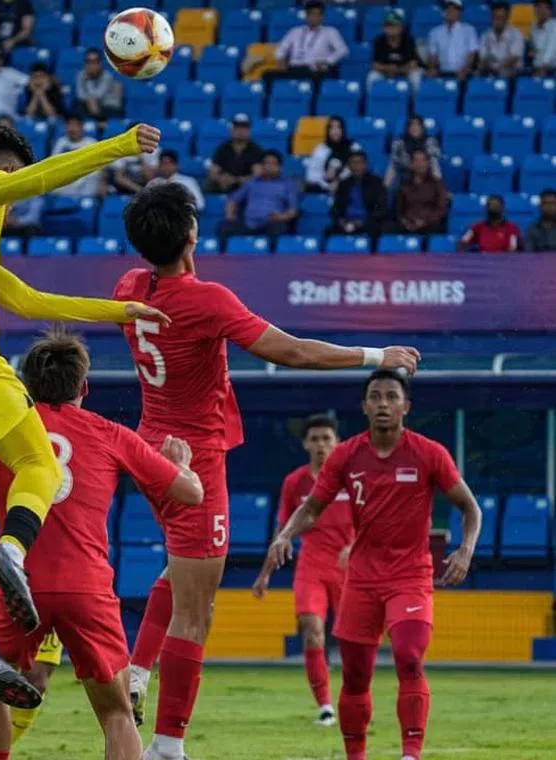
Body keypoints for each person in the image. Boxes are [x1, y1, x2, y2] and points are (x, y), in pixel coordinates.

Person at [111, 182, 420, 757]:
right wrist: (376, 357)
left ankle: (136, 671)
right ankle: (166, 746)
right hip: (195, 461)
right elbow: (292, 351)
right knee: (197, 610)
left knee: (180, 575)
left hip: (153, 448)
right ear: (191, 235)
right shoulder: (205, 300)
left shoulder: (130, 286)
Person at [0, 120, 169, 708]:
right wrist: (120, 146)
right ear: (0, 172)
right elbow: (43, 181)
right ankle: (13, 552)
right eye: (9, 181)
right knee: (37, 463)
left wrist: (120, 310)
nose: (12, 195)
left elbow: (35, 302)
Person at [0, 330, 204, 760]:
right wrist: (183, 465)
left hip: (16, 579)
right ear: (84, 387)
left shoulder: (0, 432)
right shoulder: (110, 434)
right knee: (116, 714)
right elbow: (190, 494)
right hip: (86, 586)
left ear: (26, 386)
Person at [255, 369, 482, 760]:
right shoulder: (346, 456)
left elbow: (470, 507)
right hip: (360, 579)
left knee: (409, 656)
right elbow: (311, 508)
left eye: (391, 397)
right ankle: (354, 753)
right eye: (375, 396)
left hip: (410, 576)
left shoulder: (429, 453)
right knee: (356, 676)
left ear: (405, 407)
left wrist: (465, 551)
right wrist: (284, 536)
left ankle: (410, 752)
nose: (382, 404)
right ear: (364, 406)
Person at [262, 415, 352, 727]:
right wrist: (265, 574)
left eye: (326, 438)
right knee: (312, 632)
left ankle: (353, 700)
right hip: (311, 565)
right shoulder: (295, 482)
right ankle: (325, 707)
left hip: (349, 569)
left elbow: (373, 517)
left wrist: (357, 545)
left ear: (337, 442)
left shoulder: (352, 478)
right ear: (305, 444)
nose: (321, 445)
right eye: (314, 439)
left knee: (352, 641)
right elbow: (283, 529)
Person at [219, 150, 298, 242]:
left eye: (273, 164)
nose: (269, 167)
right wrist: (230, 214)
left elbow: (293, 211)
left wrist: (281, 217)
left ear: (280, 167)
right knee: (224, 226)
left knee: (279, 228)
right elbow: (233, 201)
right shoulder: (252, 183)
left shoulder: (287, 185)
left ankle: (273, 255)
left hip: (271, 223)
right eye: (266, 163)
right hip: (247, 224)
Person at [265, 0, 348, 85]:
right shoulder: (295, 31)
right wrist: (281, 59)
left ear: (323, 17)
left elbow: (343, 50)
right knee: (267, 74)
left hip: (315, 68)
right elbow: (281, 49)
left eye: (319, 14)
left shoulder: (330, 31)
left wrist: (327, 61)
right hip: (295, 67)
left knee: (325, 75)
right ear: (306, 16)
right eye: (312, 14)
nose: (316, 17)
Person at [327, 151, 387, 241]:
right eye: (353, 163)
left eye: (359, 163)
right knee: (328, 233)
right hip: (346, 223)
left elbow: (381, 209)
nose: (356, 166)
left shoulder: (376, 183)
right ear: (349, 166)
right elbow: (335, 209)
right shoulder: (343, 184)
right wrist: (341, 221)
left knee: (377, 230)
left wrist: (363, 222)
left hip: (367, 223)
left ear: (365, 165)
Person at [393, 149, 449, 237]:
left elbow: (441, 209)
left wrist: (424, 222)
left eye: (423, 160)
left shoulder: (437, 184)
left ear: (427, 163)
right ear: (411, 164)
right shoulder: (404, 185)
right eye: (416, 160)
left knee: (435, 231)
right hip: (409, 223)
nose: (420, 164)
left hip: (430, 223)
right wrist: (405, 222)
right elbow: (399, 209)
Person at [205, 115, 263, 195]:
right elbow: (213, 172)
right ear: (231, 130)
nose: (240, 131)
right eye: (237, 127)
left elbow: (257, 175)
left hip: (245, 185)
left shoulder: (255, 150)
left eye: (244, 128)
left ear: (249, 130)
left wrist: (236, 180)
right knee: (207, 185)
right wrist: (221, 179)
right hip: (225, 184)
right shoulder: (223, 148)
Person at [49, 116, 104, 199]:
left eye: (75, 126)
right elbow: (53, 164)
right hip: (65, 178)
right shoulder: (61, 142)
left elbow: (101, 166)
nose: (71, 129)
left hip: (84, 179)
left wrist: (102, 183)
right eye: (69, 126)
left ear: (81, 128)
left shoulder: (91, 143)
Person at [367, 10, 422, 91]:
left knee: (415, 76)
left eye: (394, 25)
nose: (390, 28)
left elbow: (413, 64)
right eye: (388, 25)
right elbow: (375, 65)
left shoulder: (408, 40)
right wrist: (387, 68)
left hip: (404, 71)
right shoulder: (379, 41)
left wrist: (397, 70)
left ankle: (415, 102)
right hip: (384, 71)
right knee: (372, 77)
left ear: (401, 27)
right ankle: (373, 101)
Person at [384, 116, 441, 189]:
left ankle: (440, 189)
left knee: (434, 163)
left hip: (426, 174)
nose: (415, 128)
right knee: (392, 166)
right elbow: (395, 161)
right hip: (406, 173)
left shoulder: (431, 141)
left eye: (418, 125)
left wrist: (419, 166)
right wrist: (412, 166)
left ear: (422, 128)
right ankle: (384, 190)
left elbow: (435, 157)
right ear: (407, 128)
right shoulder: (399, 143)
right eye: (412, 125)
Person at [427, 0, 479, 80]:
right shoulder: (435, 32)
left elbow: (472, 54)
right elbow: (432, 55)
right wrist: (433, 68)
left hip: (463, 73)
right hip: (441, 73)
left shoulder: (469, 30)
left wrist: (465, 69)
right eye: (447, 8)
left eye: (453, 9)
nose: (449, 11)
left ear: (460, 12)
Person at [305, 115, 354, 194]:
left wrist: (338, 181)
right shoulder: (320, 149)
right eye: (331, 128)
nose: (335, 131)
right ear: (327, 130)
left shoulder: (353, 147)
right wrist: (326, 181)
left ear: (343, 130)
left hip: (347, 187)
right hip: (324, 186)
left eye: (338, 127)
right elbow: (311, 176)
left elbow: (355, 171)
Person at [74, 49, 123, 122]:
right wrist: (89, 100)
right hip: (90, 105)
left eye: (95, 61)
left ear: (100, 63)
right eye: (89, 61)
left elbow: (98, 95)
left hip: (107, 107)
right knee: (77, 106)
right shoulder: (80, 75)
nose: (92, 65)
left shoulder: (107, 76)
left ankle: (99, 126)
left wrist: (88, 79)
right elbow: (80, 94)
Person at [479, 1, 525, 76]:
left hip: (512, 75)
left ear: (507, 18)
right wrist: (489, 65)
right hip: (491, 72)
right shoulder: (485, 35)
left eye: (501, 17)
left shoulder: (516, 34)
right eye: (495, 17)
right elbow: (483, 57)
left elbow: (514, 58)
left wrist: (498, 66)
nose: (497, 21)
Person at [533, 0, 556, 76]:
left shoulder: (554, 25)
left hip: (551, 68)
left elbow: (550, 49)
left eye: (544, 8)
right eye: (538, 7)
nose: (541, 11)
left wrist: (543, 67)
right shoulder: (534, 27)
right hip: (538, 67)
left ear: (550, 11)